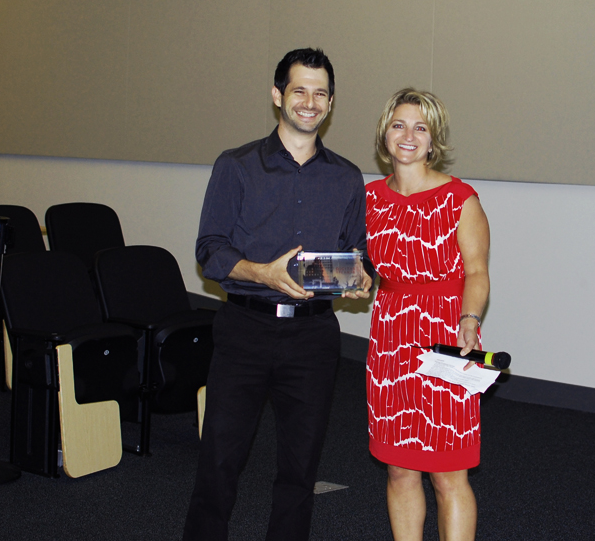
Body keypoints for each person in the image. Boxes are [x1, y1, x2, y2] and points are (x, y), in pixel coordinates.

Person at [183, 48, 373, 541]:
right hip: (244, 328)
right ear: (277, 96)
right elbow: (210, 249)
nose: (309, 102)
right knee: (220, 460)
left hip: (312, 337)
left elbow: (360, 255)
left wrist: (360, 277)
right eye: (299, 90)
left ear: (330, 103)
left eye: (320, 93)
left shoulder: (348, 178)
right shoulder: (237, 165)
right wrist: (262, 273)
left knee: (300, 468)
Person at [365, 88, 490, 540]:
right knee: (399, 469)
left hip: (445, 337)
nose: (408, 135)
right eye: (399, 124)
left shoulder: (461, 199)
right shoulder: (369, 199)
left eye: (421, 127)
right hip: (390, 339)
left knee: (447, 473)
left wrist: (470, 320)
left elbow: (477, 272)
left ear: (433, 140)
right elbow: (362, 267)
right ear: (385, 133)